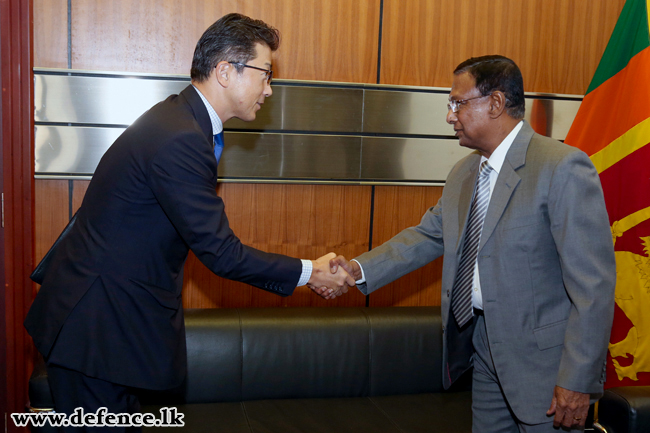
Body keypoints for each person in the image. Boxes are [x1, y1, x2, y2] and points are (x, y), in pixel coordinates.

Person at [24, 13, 353, 428]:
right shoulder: (181, 137)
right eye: (265, 75)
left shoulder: (180, 120)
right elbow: (221, 253)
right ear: (224, 71)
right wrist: (310, 272)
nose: (269, 90)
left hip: (107, 328)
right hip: (98, 331)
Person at [331, 55, 616, 432]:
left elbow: (593, 287)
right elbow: (427, 235)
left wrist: (578, 381)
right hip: (484, 357)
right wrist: (357, 269)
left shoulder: (561, 167)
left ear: (495, 103)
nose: (450, 116)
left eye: (457, 103)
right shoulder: (464, 173)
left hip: (546, 373)